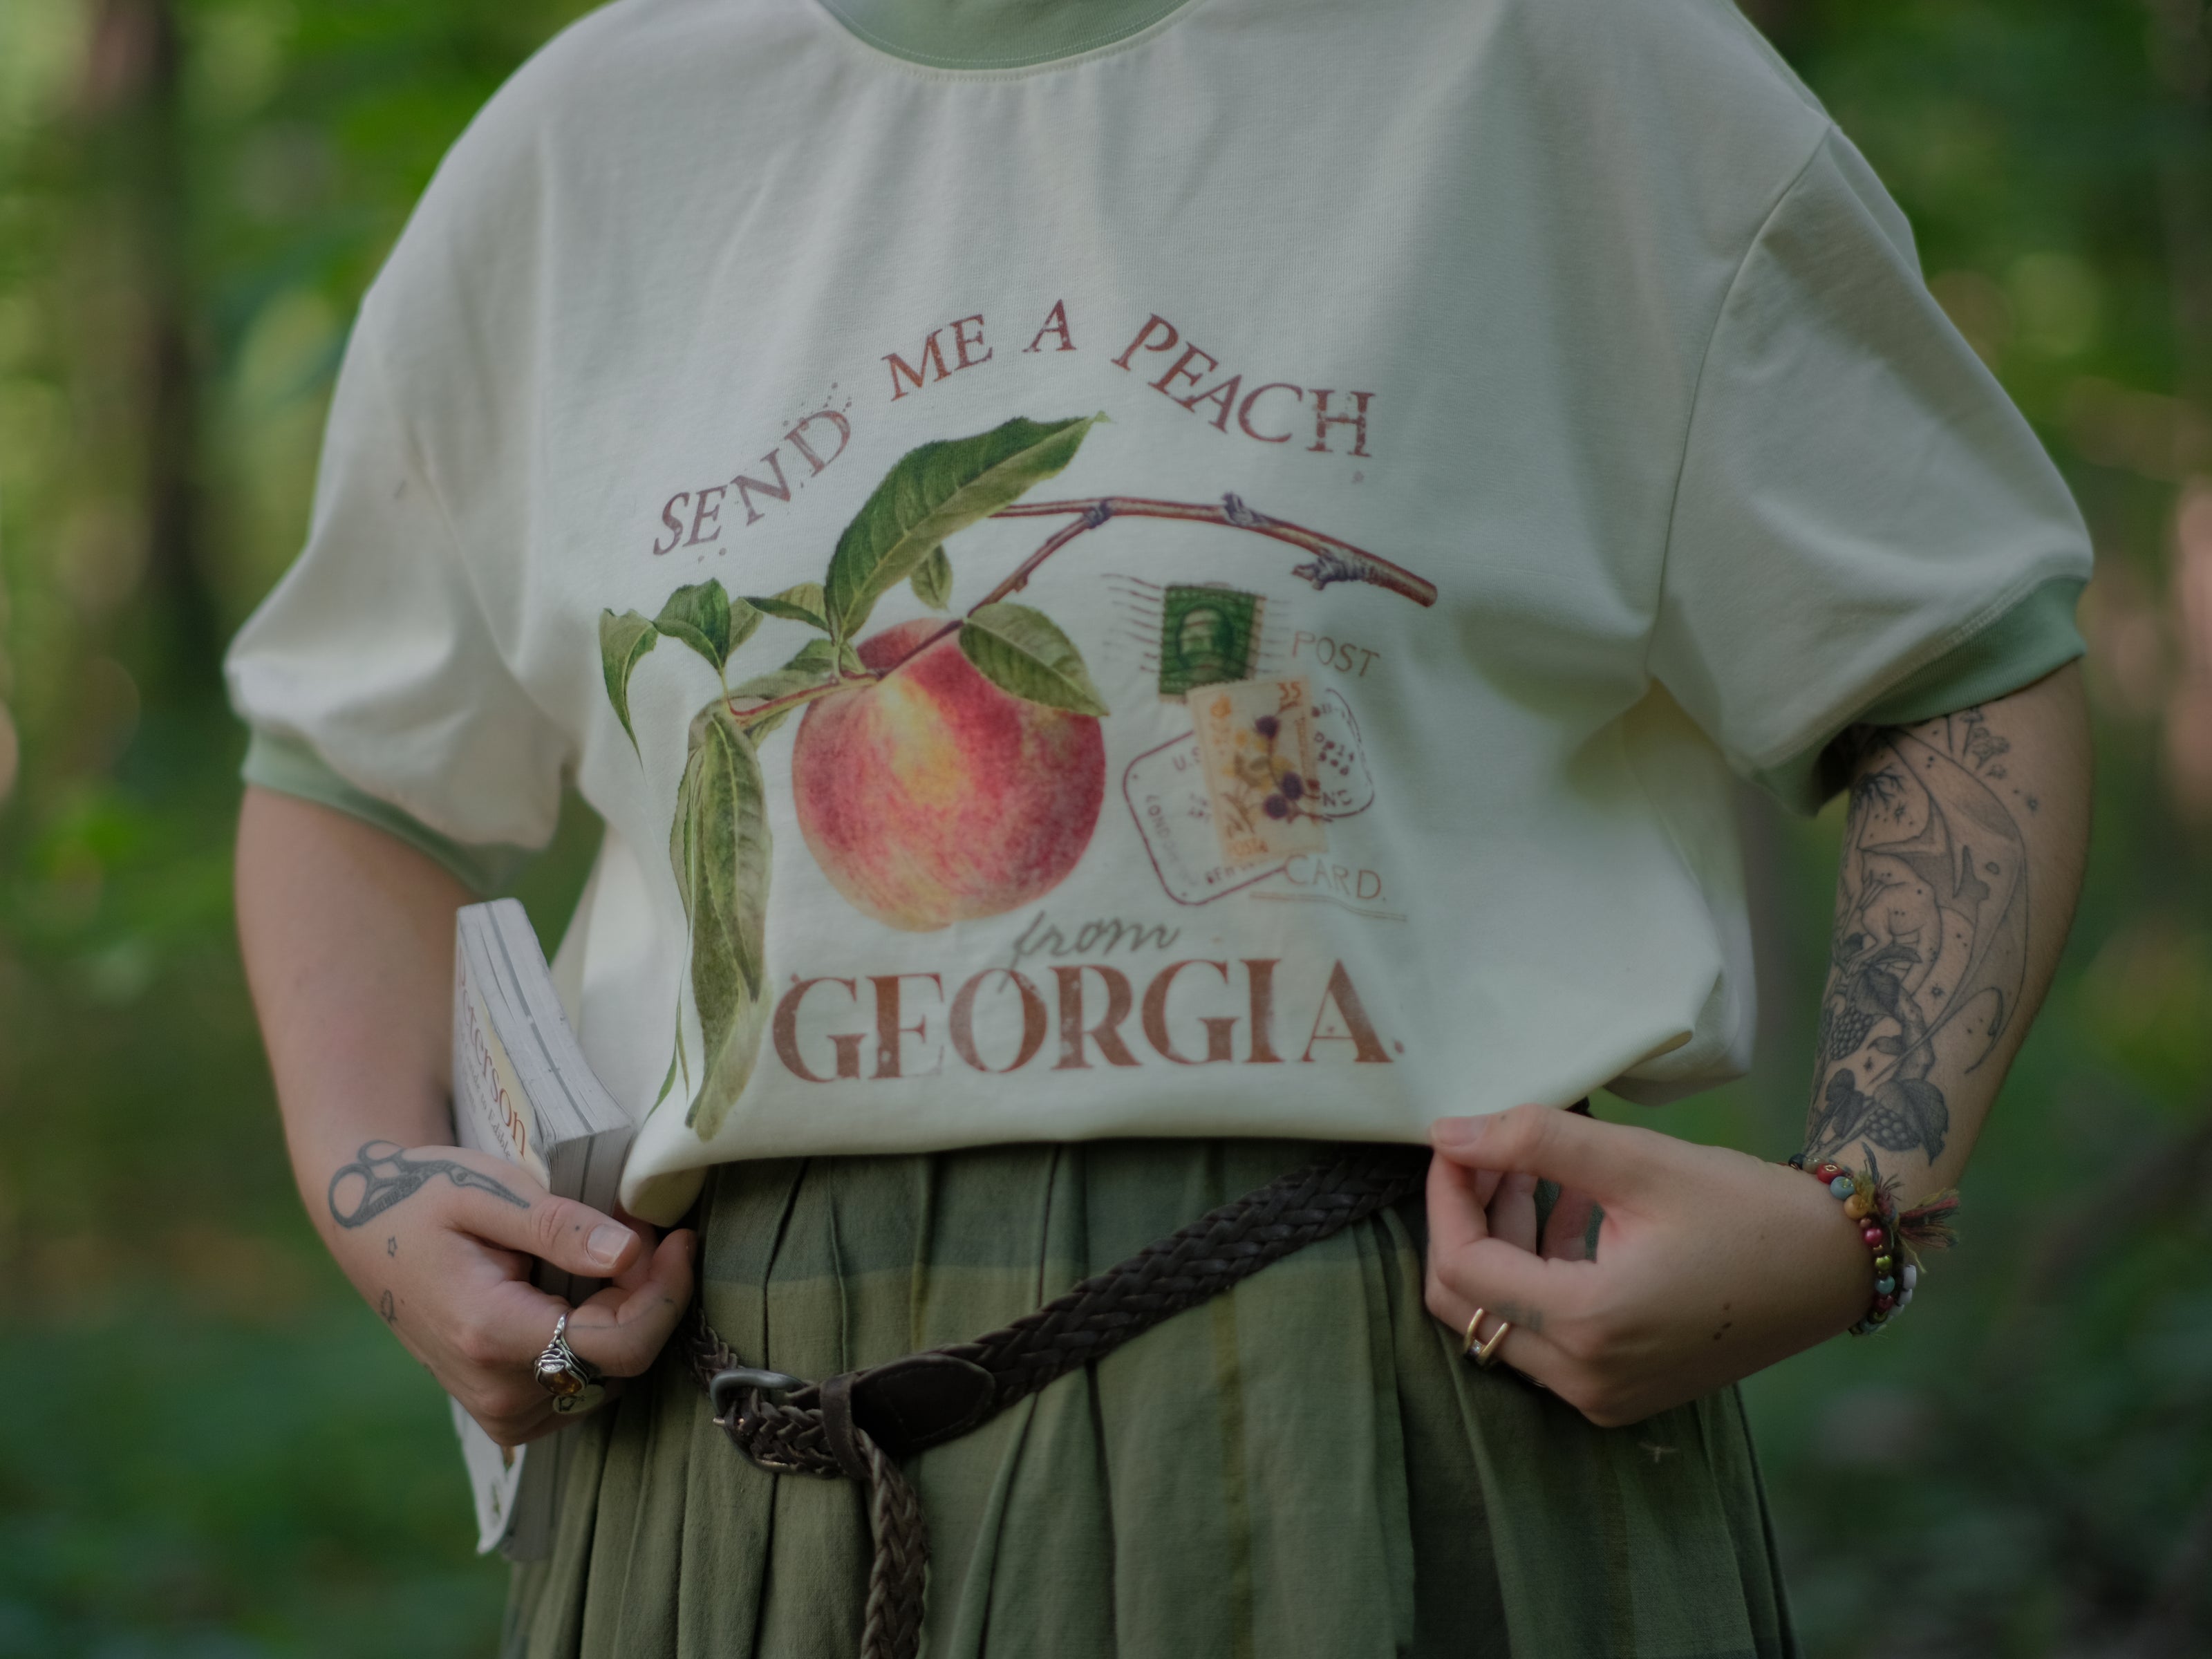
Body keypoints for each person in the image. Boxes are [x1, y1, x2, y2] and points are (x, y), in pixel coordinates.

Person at [226, 0, 2094, 1652]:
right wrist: (374, 1189)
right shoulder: (592, 143)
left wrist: (1860, 1208)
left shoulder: (1566, 62)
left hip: (1398, 1408)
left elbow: (1955, 656)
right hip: (728, 1459)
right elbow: (351, 772)